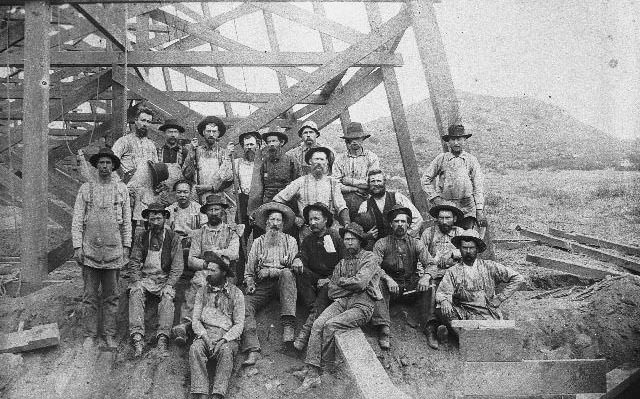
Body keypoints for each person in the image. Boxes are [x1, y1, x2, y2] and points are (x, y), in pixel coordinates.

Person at [296, 223, 382, 392]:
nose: (348, 242)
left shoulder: (370, 258)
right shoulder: (342, 263)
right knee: (318, 324)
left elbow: (361, 283)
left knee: (330, 325)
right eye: (346, 239)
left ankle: (326, 369)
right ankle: (312, 369)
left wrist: (342, 282)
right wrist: (346, 285)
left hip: (362, 305)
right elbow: (332, 291)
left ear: (360, 241)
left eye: (352, 239)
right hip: (342, 301)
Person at [71, 148, 131, 349]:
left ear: (114, 166)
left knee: (112, 296)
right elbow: (77, 219)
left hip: (114, 251)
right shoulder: (86, 189)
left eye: (108, 163)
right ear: (96, 165)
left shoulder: (121, 190)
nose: (105, 167)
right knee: (89, 296)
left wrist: (127, 246)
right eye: (101, 163)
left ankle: (109, 334)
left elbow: (127, 222)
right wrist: (78, 246)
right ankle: (90, 334)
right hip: (90, 250)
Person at [171, 194, 240, 344]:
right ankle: (185, 325)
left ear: (222, 211)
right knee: (197, 284)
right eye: (211, 210)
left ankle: (214, 329)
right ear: (206, 212)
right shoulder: (199, 233)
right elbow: (191, 259)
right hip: (205, 270)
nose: (214, 213)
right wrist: (205, 264)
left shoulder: (231, 232)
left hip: (225, 272)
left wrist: (218, 253)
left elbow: (234, 253)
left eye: (217, 209)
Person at [241, 202, 299, 366]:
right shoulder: (258, 242)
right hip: (263, 285)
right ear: (266, 223)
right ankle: (252, 348)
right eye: (272, 220)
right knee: (244, 304)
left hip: (285, 284)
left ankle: (288, 328)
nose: (275, 224)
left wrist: (272, 272)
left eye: (278, 220)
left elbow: (293, 269)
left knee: (287, 273)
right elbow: (249, 270)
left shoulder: (291, 241)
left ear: (283, 224)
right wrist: (250, 282)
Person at [370, 205, 431, 349]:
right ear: (391, 224)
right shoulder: (382, 243)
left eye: (403, 222)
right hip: (391, 288)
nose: (400, 225)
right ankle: (383, 327)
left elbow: (431, 263)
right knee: (377, 284)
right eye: (396, 221)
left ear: (408, 224)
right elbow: (373, 266)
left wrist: (426, 277)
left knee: (431, 284)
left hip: (410, 286)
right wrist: (387, 278)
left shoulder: (416, 243)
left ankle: (430, 327)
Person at [128, 203, 184, 357]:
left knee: (167, 297)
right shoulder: (142, 236)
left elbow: (178, 265)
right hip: (146, 277)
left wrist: (170, 284)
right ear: (148, 219)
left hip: (164, 279)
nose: (155, 222)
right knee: (135, 292)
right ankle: (137, 337)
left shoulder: (173, 238)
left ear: (165, 218)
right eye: (152, 219)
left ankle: (163, 338)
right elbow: (134, 260)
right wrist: (137, 280)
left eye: (159, 218)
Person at [436, 230, 524, 326]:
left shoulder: (490, 266)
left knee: (488, 327)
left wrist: (500, 298)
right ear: (459, 249)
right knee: (442, 309)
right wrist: (445, 301)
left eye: (471, 248)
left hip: (487, 311)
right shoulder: (453, 271)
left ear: (477, 249)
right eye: (465, 248)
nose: (468, 252)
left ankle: (466, 334)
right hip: (463, 311)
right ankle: (464, 334)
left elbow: (518, 278)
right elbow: (443, 292)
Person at [189, 253, 245, 399]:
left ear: (223, 272)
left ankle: (218, 394)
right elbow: (195, 320)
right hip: (205, 333)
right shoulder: (202, 292)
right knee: (195, 348)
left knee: (226, 352)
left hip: (226, 337)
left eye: (213, 271)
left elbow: (239, 324)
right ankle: (201, 392)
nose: (209, 274)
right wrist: (205, 337)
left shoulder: (236, 293)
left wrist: (224, 340)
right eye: (208, 270)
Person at [291, 202, 344, 351]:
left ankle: (305, 332)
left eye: (316, 219)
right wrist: (298, 259)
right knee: (298, 272)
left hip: (332, 279)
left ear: (325, 219)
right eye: (310, 219)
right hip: (315, 278)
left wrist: (330, 278)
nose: (312, 223)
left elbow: (345, 263)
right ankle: (315, 311)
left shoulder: (337, 237)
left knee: (327, 288)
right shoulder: (308, 239)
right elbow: (303, 254)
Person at [273, 146, 350, 242]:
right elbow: (277, 200)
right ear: (310, 162)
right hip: (308, 229)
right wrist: (294, 218)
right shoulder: (300, 181)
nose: (319, 163)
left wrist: (347, 224)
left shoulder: (332, 183)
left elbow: (341, 206)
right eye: (316, 159)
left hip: (329, 227)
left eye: (322, 159)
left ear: (326, 163)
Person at [421, 124, 485, 230]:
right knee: (445, 236)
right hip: (446, 207)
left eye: (459, 139)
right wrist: (436, 198)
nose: (456, 143)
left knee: (465, 238)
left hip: (467, 208)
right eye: (453, 139)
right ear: (448, 141)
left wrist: (479, 210)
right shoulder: (441, 159)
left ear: (464, 140)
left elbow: (478, 186)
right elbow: (425, 180)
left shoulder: (471, 160)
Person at [420, 202, 464, 349]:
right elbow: (420, 255)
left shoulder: (460, 233)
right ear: (436, 219)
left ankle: (453, 330)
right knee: (431, 290)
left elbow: (470, 252)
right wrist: (423, 275)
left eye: (448, 218)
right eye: (441, 218)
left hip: (455, 276)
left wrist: (453, 253)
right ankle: (431, 328)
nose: (444, 222)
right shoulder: (429, 233)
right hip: (434, 274)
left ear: (455, 219)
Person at [111, 106, 159, 237]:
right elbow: (112, 163)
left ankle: (143, 255)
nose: (145, 124)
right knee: (127, 225)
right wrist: (121, 185)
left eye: (148, 122)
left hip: (146, 190)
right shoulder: (124, 141)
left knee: (148, 224)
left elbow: (155, 169)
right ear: (135, 121)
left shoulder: (151, 145)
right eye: (143, 120)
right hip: (128, 189)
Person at [247, 127, 300, 229]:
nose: (271, 144)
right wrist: (254, 210)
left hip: (287, 203)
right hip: (268, 203)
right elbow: (258, 188)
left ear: (281, 142)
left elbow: (298, 184)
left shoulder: (291, 161)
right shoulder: (264, 163)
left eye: (274, 141)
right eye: (269, 141)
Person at [356, 169, 423, 243]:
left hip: (403, 244)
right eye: (372, 181)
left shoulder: (398, 198)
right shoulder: (365, 206)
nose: (376, 184)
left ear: (384, 182)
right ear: (369, 184)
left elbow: (417, 219)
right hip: (380, 248)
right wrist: (367, 235)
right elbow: (358, 231)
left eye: (379, 181)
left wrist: (404, 238)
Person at [333, 122, 380, 221]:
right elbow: (335, 185)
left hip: (365, 199)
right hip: (342, 200)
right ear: (347, 141)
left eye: (357, 138)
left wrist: (349, 181)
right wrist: (355, 189)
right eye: (351, 139)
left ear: (362, 139)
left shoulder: (371, 158)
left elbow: (371, 184)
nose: (354, 141)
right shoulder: (339, 159)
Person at [182, 116, 234, 204]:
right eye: (208, 131)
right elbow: (186, 175)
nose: (211, 134)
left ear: (218, 133)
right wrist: (191, 153)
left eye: (214, 132)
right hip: (197, 197)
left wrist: (210, 187)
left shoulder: (224, 153)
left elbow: (228, 180)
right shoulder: (196, 151)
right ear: (203, 132)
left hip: (217, 197)